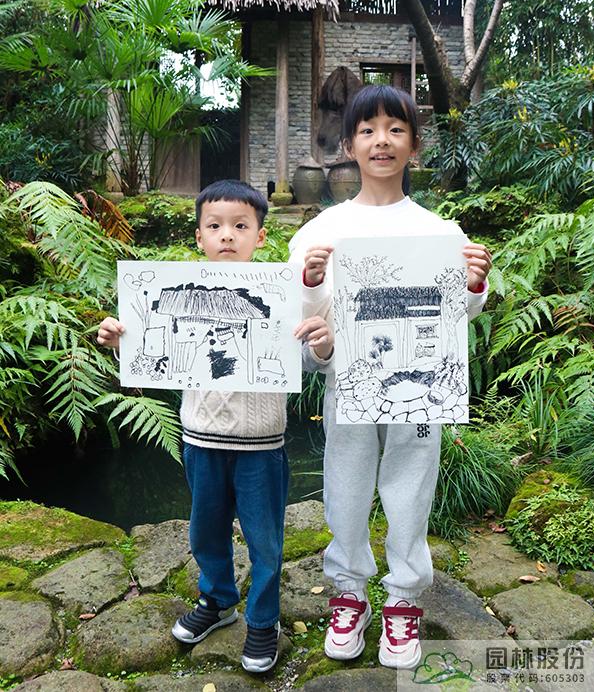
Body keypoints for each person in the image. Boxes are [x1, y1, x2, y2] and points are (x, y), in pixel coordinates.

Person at [288, 86, 492, 670]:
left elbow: (457, 315)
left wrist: (474, 282)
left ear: (414, 144)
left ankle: (403, 600)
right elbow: (301, 323)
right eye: (368, 130)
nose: (382, 141)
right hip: (348, 385)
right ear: (349, 145)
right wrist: (311, 285)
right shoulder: (322, 231)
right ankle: (349, 592)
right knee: (346, 486)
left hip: (421, 390)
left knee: (411, 487)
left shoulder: (441, 232)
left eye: (396, 129)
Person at [97, 179, 332, 674]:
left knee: (265, 540)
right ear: (199, 236)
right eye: (215, 226)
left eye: (240, 226)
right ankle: (218, 600)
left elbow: (307, 362)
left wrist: (322, 344)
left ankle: (263, 621)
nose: (228, 235)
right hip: (200, 440)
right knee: (205, 530)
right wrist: (122, 341)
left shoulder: (278, 297)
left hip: (262, 444)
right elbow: (153, 353)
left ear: (260, 236)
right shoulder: (176, 293)